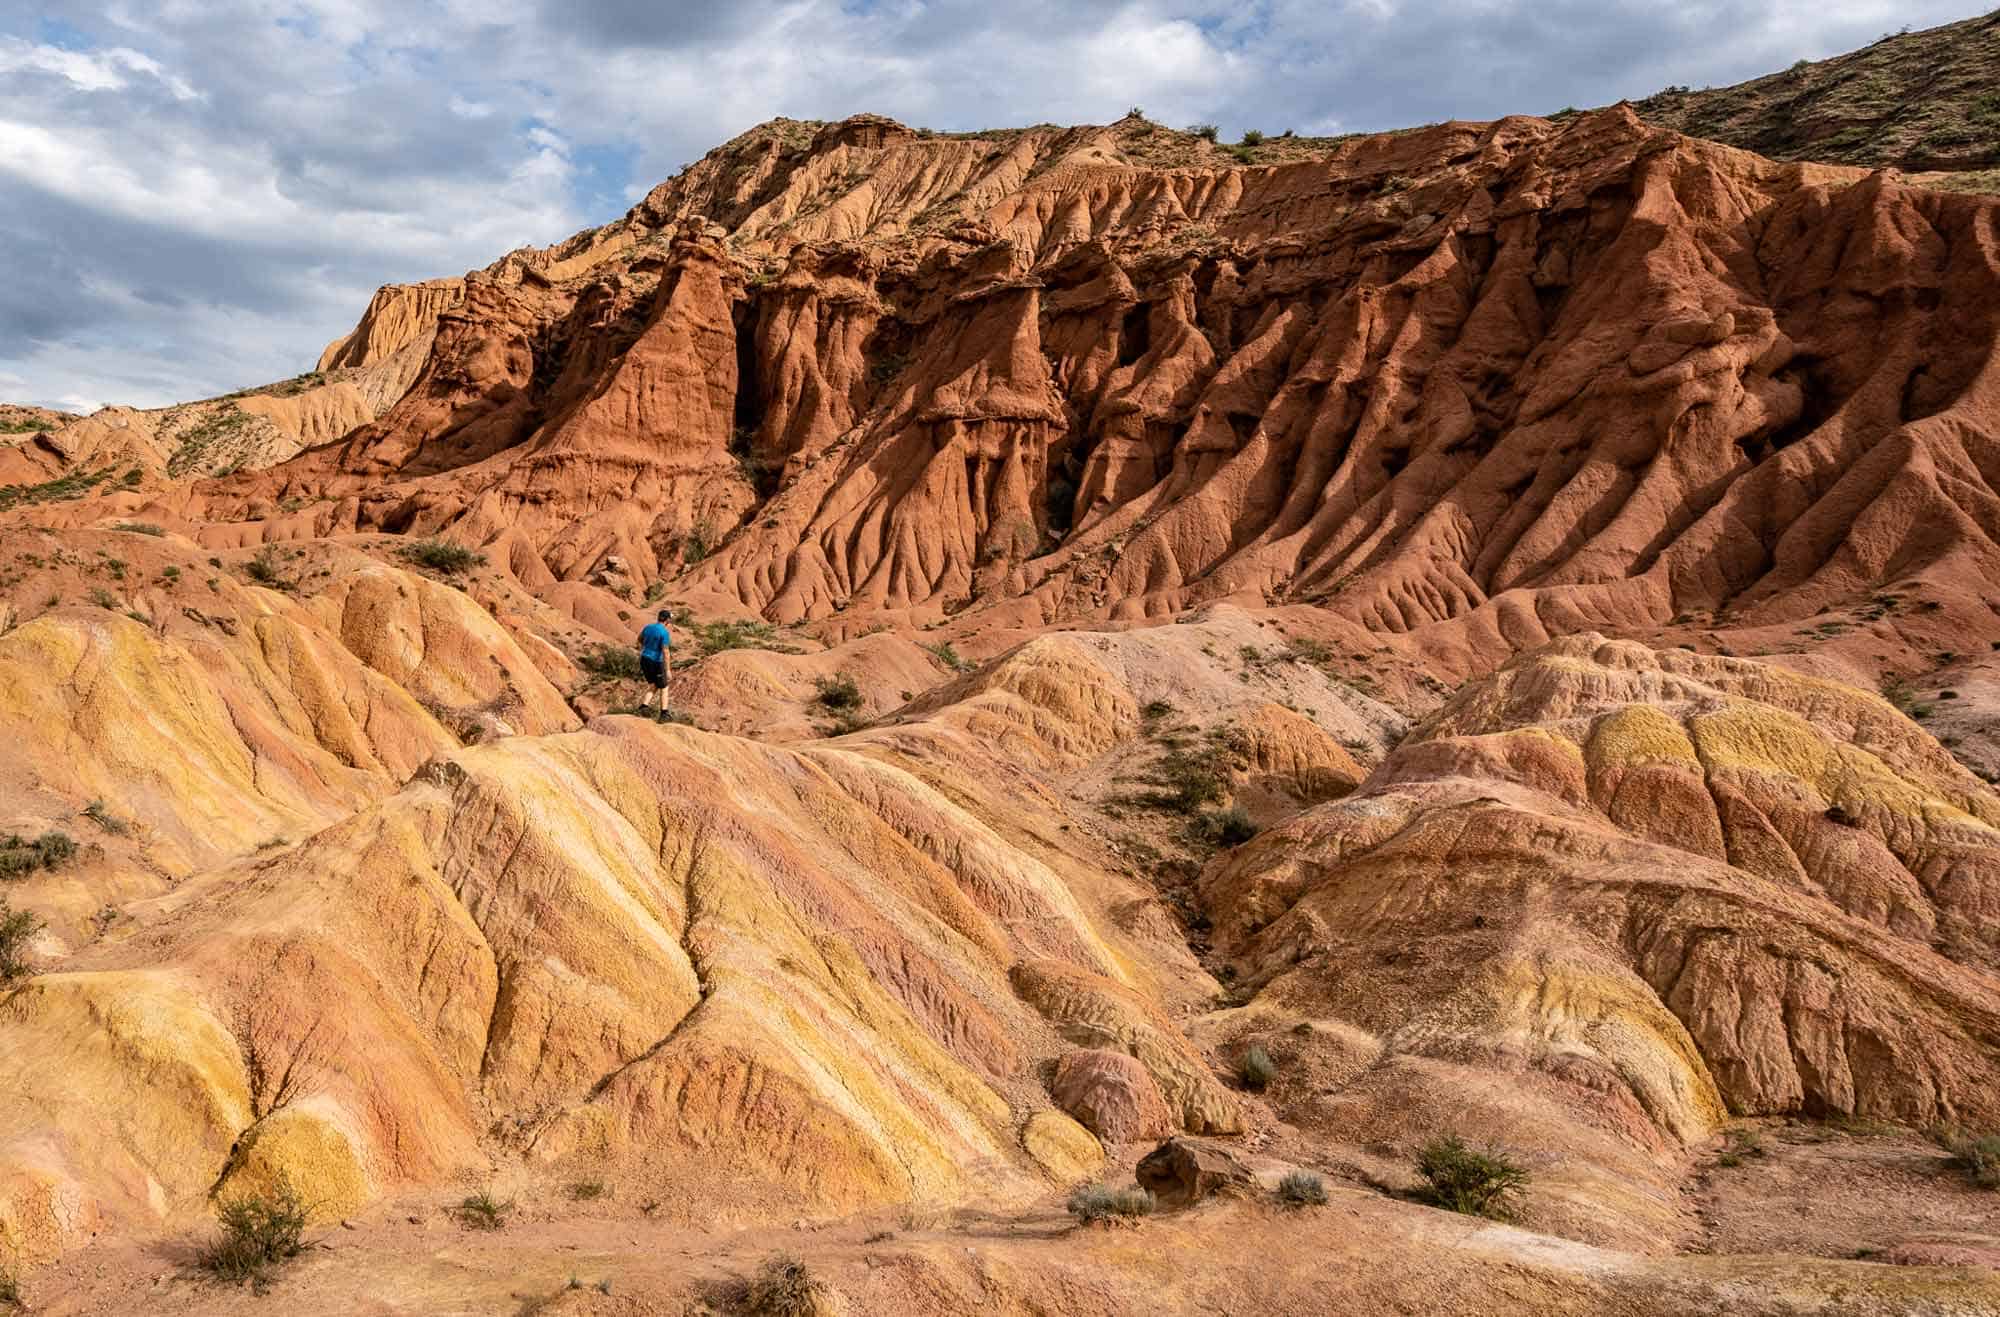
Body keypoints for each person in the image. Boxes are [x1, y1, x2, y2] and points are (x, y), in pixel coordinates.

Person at [638, 608, 674, 721]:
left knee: (653, 685)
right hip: (656, 662)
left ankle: (643, 707)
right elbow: (666, 652)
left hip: (644, 659)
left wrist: (647, 647)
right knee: (664, 687)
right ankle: (664, 713)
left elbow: (639, 639)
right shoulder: (664, 632)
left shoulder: (648, 627)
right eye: (670, 619)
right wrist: (668, 670)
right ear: (667, 620)